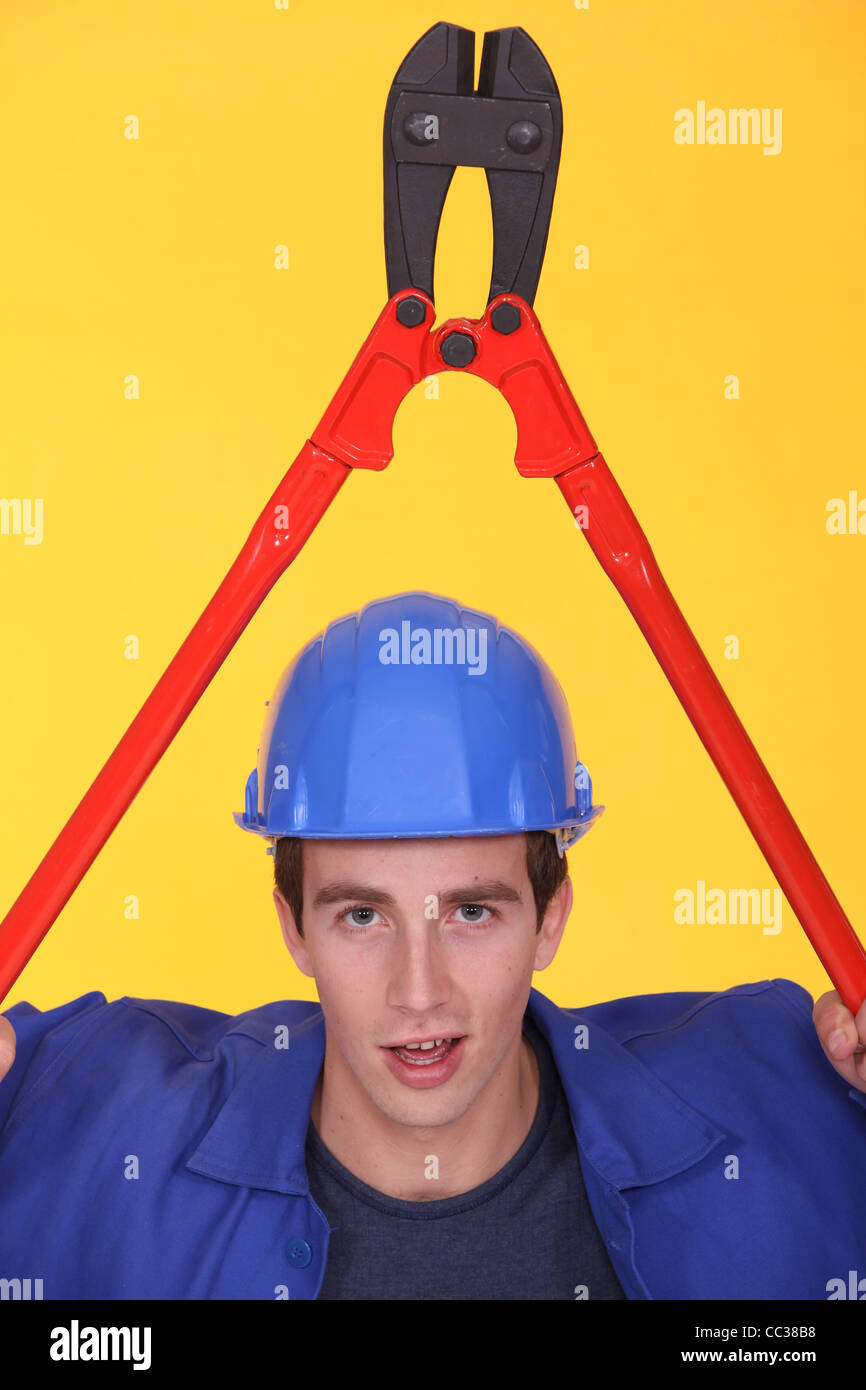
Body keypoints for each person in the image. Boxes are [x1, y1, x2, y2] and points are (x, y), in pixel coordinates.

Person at [0, 590, 864, 1301]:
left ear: (552, 914)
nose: (420, 993)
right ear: (293, 926)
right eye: (363, 917)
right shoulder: (80, 1111)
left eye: (472, 913)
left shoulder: (791, 1096)